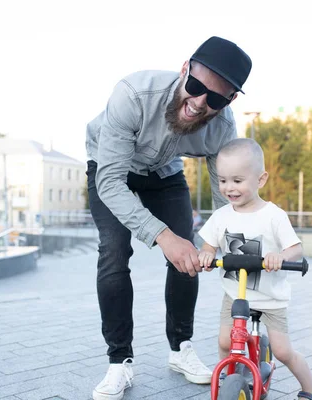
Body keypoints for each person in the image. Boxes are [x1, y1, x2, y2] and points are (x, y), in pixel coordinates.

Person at [85, 36, 253, 400]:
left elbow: (227, 194)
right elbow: (111, 183)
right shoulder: (133, 94)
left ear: (229, 101)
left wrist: (238, 244)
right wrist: (163, 235)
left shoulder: (221, 128)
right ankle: (119, 362)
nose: (198, 103)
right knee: (114, 253)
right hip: (110, 169)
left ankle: (181, 350)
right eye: (195, 86)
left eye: (215, 99)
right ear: (184, 70)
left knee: (186, 258)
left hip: (164, 173)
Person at [197, 138, 312, 400]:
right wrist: (206, 256)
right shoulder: (221, 215)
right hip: (235, 295)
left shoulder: (273, 215)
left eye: (237, 180)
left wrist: (279, 257)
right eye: (223, 180)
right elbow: (208, 245)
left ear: (260, 180)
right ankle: (230, 377)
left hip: (271, 298)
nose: (229, 188)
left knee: (282, 351)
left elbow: (296, 248)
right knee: (225, 342)